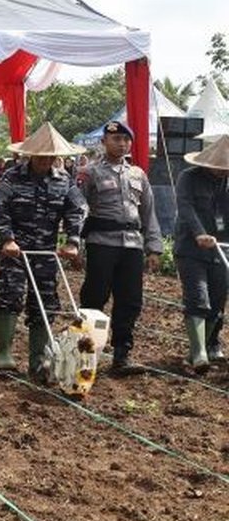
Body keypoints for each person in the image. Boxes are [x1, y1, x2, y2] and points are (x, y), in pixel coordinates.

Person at [0, 124, 86, 379]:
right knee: (10, 295)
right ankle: (4, 353)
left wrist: (73, 241)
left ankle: (38, 360)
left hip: (46, 251)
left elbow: (76, 210)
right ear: (30, 154)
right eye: (41, 156)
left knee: (45, 301)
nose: (46, 160)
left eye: (51, 156)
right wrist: (7, 238)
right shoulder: (12, 177)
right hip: (16, 250)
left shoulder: (64, 180)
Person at [77, 120, 162, 376]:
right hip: (101, 242)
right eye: (116, 139)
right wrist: (75, 242)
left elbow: (149, 213)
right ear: (104, 142)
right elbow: (79, 209)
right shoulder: (89, 172)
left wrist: (154, 247)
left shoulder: (138, 174)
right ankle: (85, 352)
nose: (122, 144)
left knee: (130, 299)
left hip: (132, 245)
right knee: (95, 296)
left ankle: (122, 354)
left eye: (126, 140)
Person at [174, 136, 229, 373]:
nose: (223, 171)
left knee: (217, 302)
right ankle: (199, 355)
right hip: (191, 249)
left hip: (222, 249)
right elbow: (185, 207)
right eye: (219, 167)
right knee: (198, 298)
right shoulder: (189, 178)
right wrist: (199, 233)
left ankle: (200, 350)